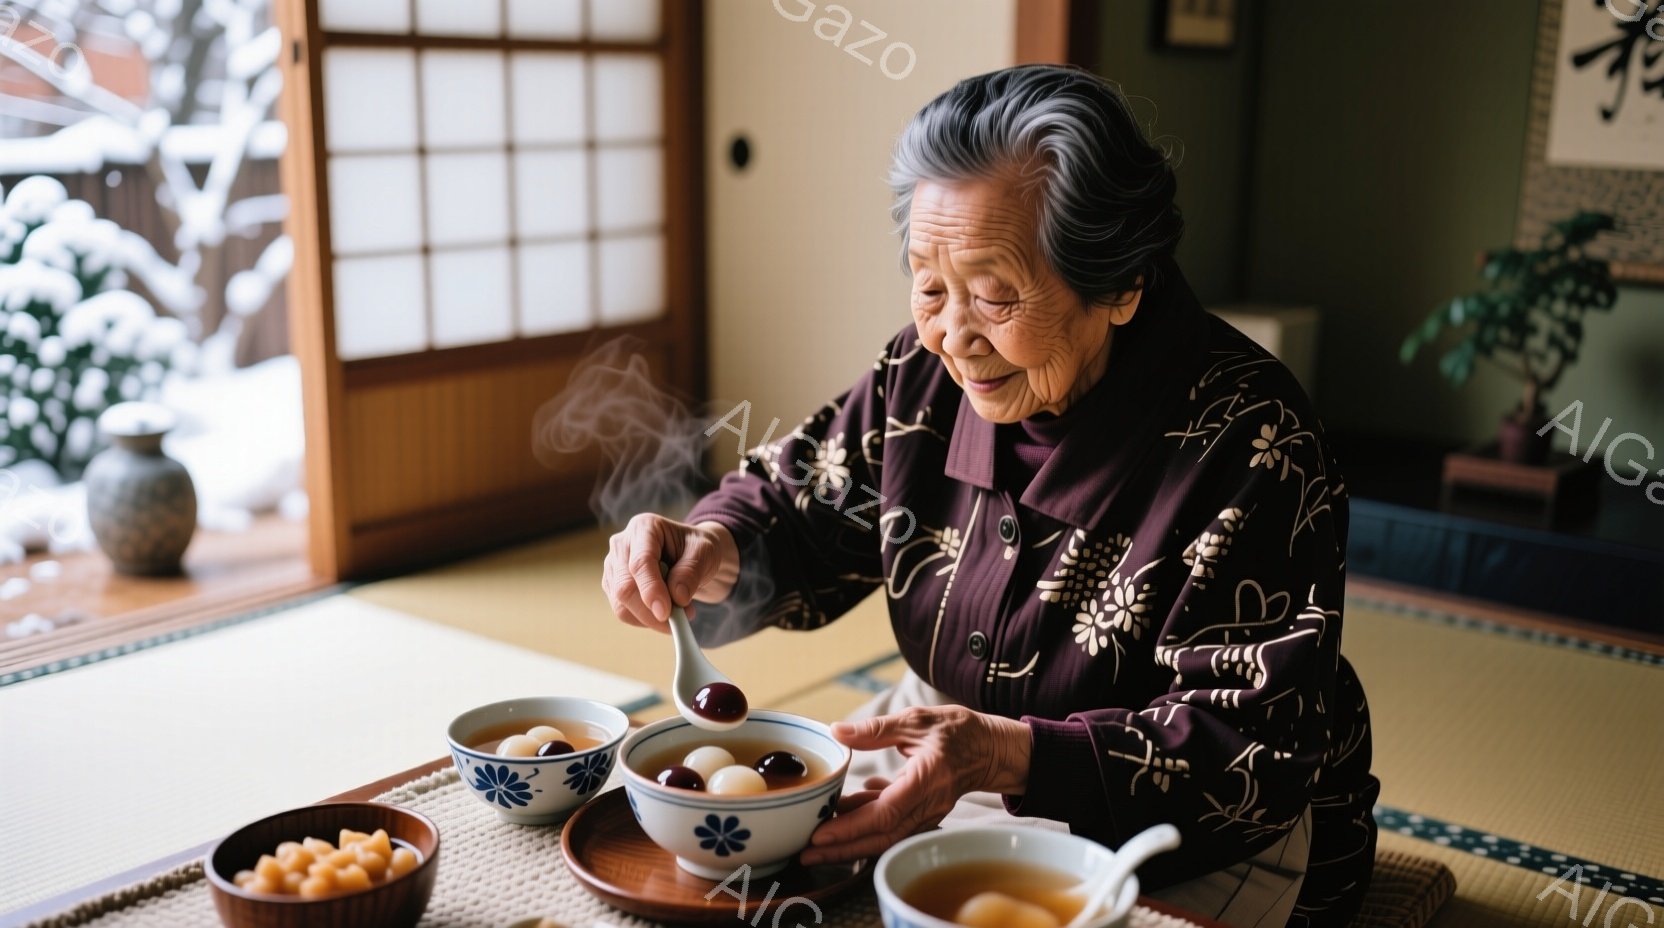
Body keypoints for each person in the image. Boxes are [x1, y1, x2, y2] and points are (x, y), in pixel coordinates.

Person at [601, 65, 1378, 928]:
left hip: (1186, 824)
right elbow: (800, 502)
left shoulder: (1251, 440)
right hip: (945, 730)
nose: (954, 336)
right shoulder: (919, 372)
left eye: (995, 294)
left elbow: (1247, 752)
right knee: (751, 857)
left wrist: (1006, 757)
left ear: (1121, 285)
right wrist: (711, 547)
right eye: (930, 287)